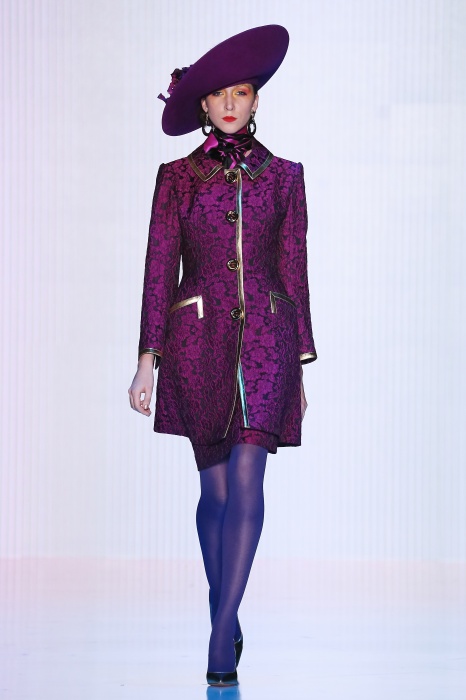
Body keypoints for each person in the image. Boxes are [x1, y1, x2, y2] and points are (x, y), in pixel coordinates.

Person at [128, 24, 317, 687]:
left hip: (268, 341)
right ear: (203, 105)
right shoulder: (177, 180)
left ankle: (217, 638)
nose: (232, 104)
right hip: (196, 343)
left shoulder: (285, 178)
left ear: (257, 99)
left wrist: (300, 363)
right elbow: (159, 268)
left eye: (243, 92)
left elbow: (294, 269)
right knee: (214, 490)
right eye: (220, 95)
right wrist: (148, 357)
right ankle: (226, 614)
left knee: (248, 478)